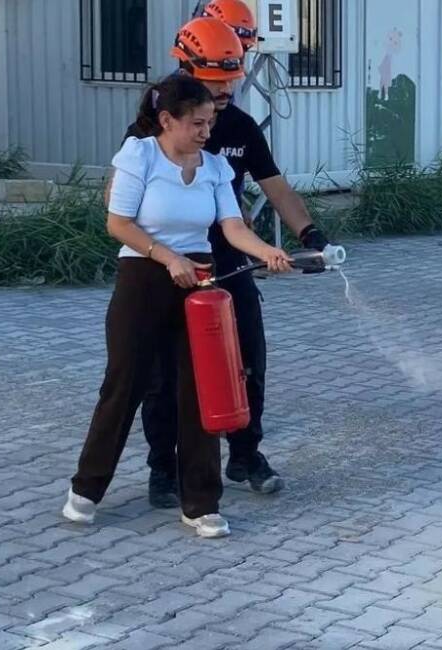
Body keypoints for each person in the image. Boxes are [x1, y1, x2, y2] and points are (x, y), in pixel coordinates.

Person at [63, 74, 293, 538]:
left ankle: (201, 503)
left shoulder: (214, 168)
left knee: (201, 391)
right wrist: (168, 257)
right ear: (167, 120)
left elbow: (231, 227)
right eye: (197, 123)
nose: (207, 132)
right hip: (143, 278)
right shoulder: (140, 155)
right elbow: (118, 223)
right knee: (124, 386)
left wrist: (264, 250)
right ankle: (86, 490)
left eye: (210, 123)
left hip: (199, 284)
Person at [134, 11, 334, 508]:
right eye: (214, 79)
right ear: (185, 70)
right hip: (169, 268)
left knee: (248, 359)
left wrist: (309, 232)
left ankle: (245, 454)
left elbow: (276, 187)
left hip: (230, 261)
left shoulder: (243, 126)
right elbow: (122, 209)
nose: (225, 89)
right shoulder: (147, 133)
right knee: (163, 375)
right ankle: (164, 469)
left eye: (231, 77)